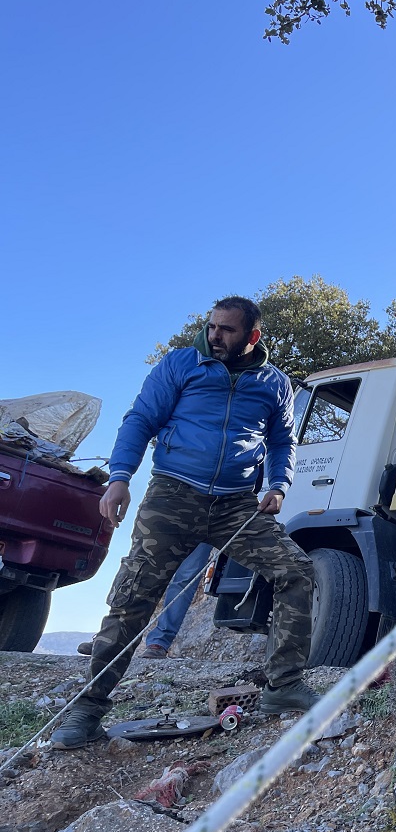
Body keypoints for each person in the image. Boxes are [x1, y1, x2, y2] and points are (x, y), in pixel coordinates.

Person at [53, 297, 318, 749]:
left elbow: (281, 442)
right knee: (135, 594)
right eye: (212, 327)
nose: (215, 336)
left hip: (236, 505)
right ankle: (87, 707)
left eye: (227, 330)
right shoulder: (180, 365)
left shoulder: (274, 384)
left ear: (252, 336)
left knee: (296, 571)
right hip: (173, 495)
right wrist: (120, 478)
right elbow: (139, 420)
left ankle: (283, 686)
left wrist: (279, 485)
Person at [76, 544, 215, 659]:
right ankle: (110, 637)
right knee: (139, 570)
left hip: (209, 515)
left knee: (186, 578)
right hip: (166, 512)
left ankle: (159, 642)